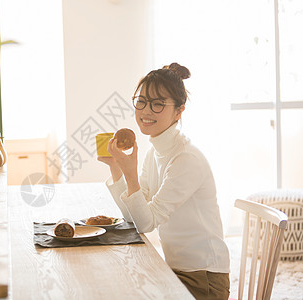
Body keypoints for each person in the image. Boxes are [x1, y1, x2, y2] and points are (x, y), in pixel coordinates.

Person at [98, 63, 230, 299]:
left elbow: (148, 223)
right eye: (142, 101)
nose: (146, 111)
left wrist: (130, 174)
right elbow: (136, 219)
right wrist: (117, 169)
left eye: (158, 104)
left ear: (179, 111)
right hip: (175, 270)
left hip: (203, 279)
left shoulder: (185, 159)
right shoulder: (155, 152)